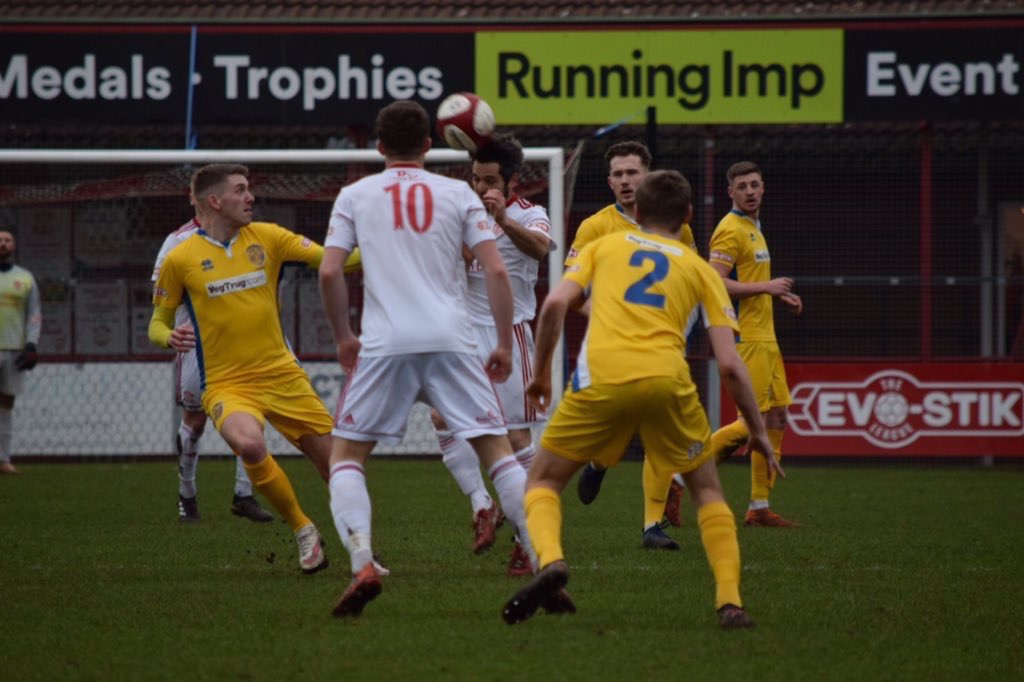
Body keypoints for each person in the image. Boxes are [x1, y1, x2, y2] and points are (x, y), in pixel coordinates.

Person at [500, 170, 782, 629]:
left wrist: (541, 379)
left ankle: (551, 562)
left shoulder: (603, 247)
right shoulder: (700, 270)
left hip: (600, 379)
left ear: (636, 213)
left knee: (543, 483)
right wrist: (757, 432)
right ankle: (730, 603)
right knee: (707, 491)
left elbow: (553, 305)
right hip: (666, 381)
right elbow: (730, 365)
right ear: (688, 216)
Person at [319, 101, 565, 618]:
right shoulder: (457, 194)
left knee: (345, 459)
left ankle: (363, 561)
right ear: (432, 145)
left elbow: (328, 273)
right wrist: (501, 342)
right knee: (498, 452)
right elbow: (497, 271)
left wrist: (344, 337)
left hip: (386, 342)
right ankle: (545, 555)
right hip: (454, 340)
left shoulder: (355, 195)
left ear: (379, 146)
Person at [149, 163, 334, 574]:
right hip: (227, 383)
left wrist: (391, 253)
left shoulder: (269, 237)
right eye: (241, 189)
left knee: (336, 467)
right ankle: (304, 530)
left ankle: (363, 550)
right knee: (250, 445)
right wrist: (168, 337)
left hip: (282, 375)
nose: (251, 197)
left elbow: (333, 261)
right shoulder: (180, 257)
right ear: (215, 201)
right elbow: (157, 322)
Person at [429, 133, 555, 573]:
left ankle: (528, 538)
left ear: (512, 181)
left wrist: (501, 219)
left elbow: (540, 249)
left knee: (517, 439)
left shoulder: (530, 214)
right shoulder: (463, 213)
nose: (481, 189)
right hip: (464, 336)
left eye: (489, 180)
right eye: (475, 179)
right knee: (442, 419)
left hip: (510, 336)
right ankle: (484, 506)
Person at [567, 141, 696, 549]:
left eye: (632, 173)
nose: (625, 180)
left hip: (660, 347)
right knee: (617, 427)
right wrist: (609, 315)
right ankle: (598, 461)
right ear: (609, 181)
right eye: (618, 174)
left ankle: (651, 527)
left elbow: (690, 282)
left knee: (659, 431)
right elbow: (570, 291)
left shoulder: (678, 226)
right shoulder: (595, 227)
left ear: (649, 178)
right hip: (609, 349)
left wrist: (678, 330)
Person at [151, 209, 272, 524]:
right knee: (195, 419)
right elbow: (162, 295)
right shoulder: (178, 241)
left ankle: (244, 494)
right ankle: (187, 494)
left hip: (244, 342)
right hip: (198, 344)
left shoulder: (250, 235)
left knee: (252, 410)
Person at [707, 161, 803, 527]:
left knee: (777, 416)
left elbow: (753, 282)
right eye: (742, 186)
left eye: (754, 185)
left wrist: (778, 296)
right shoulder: (730, 229)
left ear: (764, 188)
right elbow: (714, 281)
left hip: (767, 337)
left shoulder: (753, 228)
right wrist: (765, 287)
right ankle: (679, 477)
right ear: (729, 192)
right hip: (747, 338)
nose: (749, 191)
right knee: (750, 424)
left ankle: (759, 507)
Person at [0, 230, 41, 475]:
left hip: (14, 349)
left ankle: (3, 460)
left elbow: (34, 314)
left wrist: (32, 345)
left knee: (6, 403)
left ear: (14, 246)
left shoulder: (25, 278)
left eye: (6, 240)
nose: (2, 244)